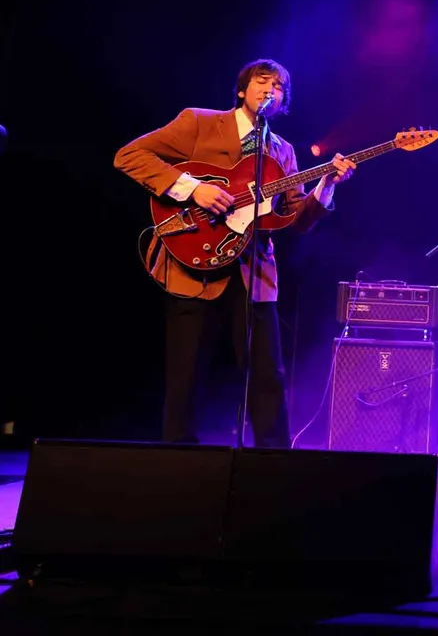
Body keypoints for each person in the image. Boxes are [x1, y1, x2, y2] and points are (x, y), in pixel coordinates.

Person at [114, 58, 356, 447]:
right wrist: (194, 189)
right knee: (185, 375)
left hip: (253, 274)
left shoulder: (283, 152)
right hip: (193, 264)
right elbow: (130, 156)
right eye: (262, 81)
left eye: (279, 87)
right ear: (242, 90)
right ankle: (178, 463)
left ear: (283, 102)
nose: (270, 89)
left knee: (267, 377)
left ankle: (273, 465)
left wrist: (326, 184)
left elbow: (296, 219)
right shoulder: (199, 122)